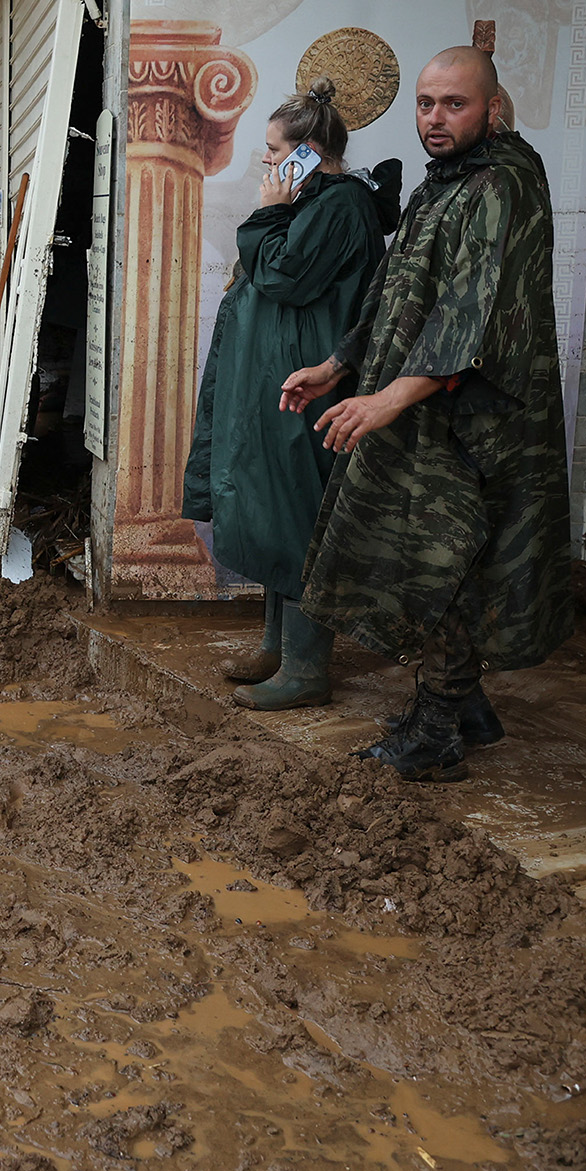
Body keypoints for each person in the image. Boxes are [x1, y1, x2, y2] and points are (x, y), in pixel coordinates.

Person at [281, 46, 574, 782]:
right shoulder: (446, 180)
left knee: (448, 563)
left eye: (454, 105)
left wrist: (385, 398)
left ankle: (438, 732)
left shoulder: (504, 185)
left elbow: (467, 316)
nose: (435, 120)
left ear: (493, 109)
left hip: (475, 422)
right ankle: (464, 704)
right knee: (438, 555)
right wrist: (338, 365)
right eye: (425, 104)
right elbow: (394, 284)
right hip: (425, 408)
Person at [184, 78, 399, 711]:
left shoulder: (339, 205)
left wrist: (272, 208)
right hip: (282, 391)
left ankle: (306, 668)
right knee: (276, 514)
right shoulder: (316, 201)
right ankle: (279, 647)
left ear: (307, 149)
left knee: (300, 517)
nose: (269, 163)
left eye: (276, 151)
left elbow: (282, 274)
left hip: (310, 394)